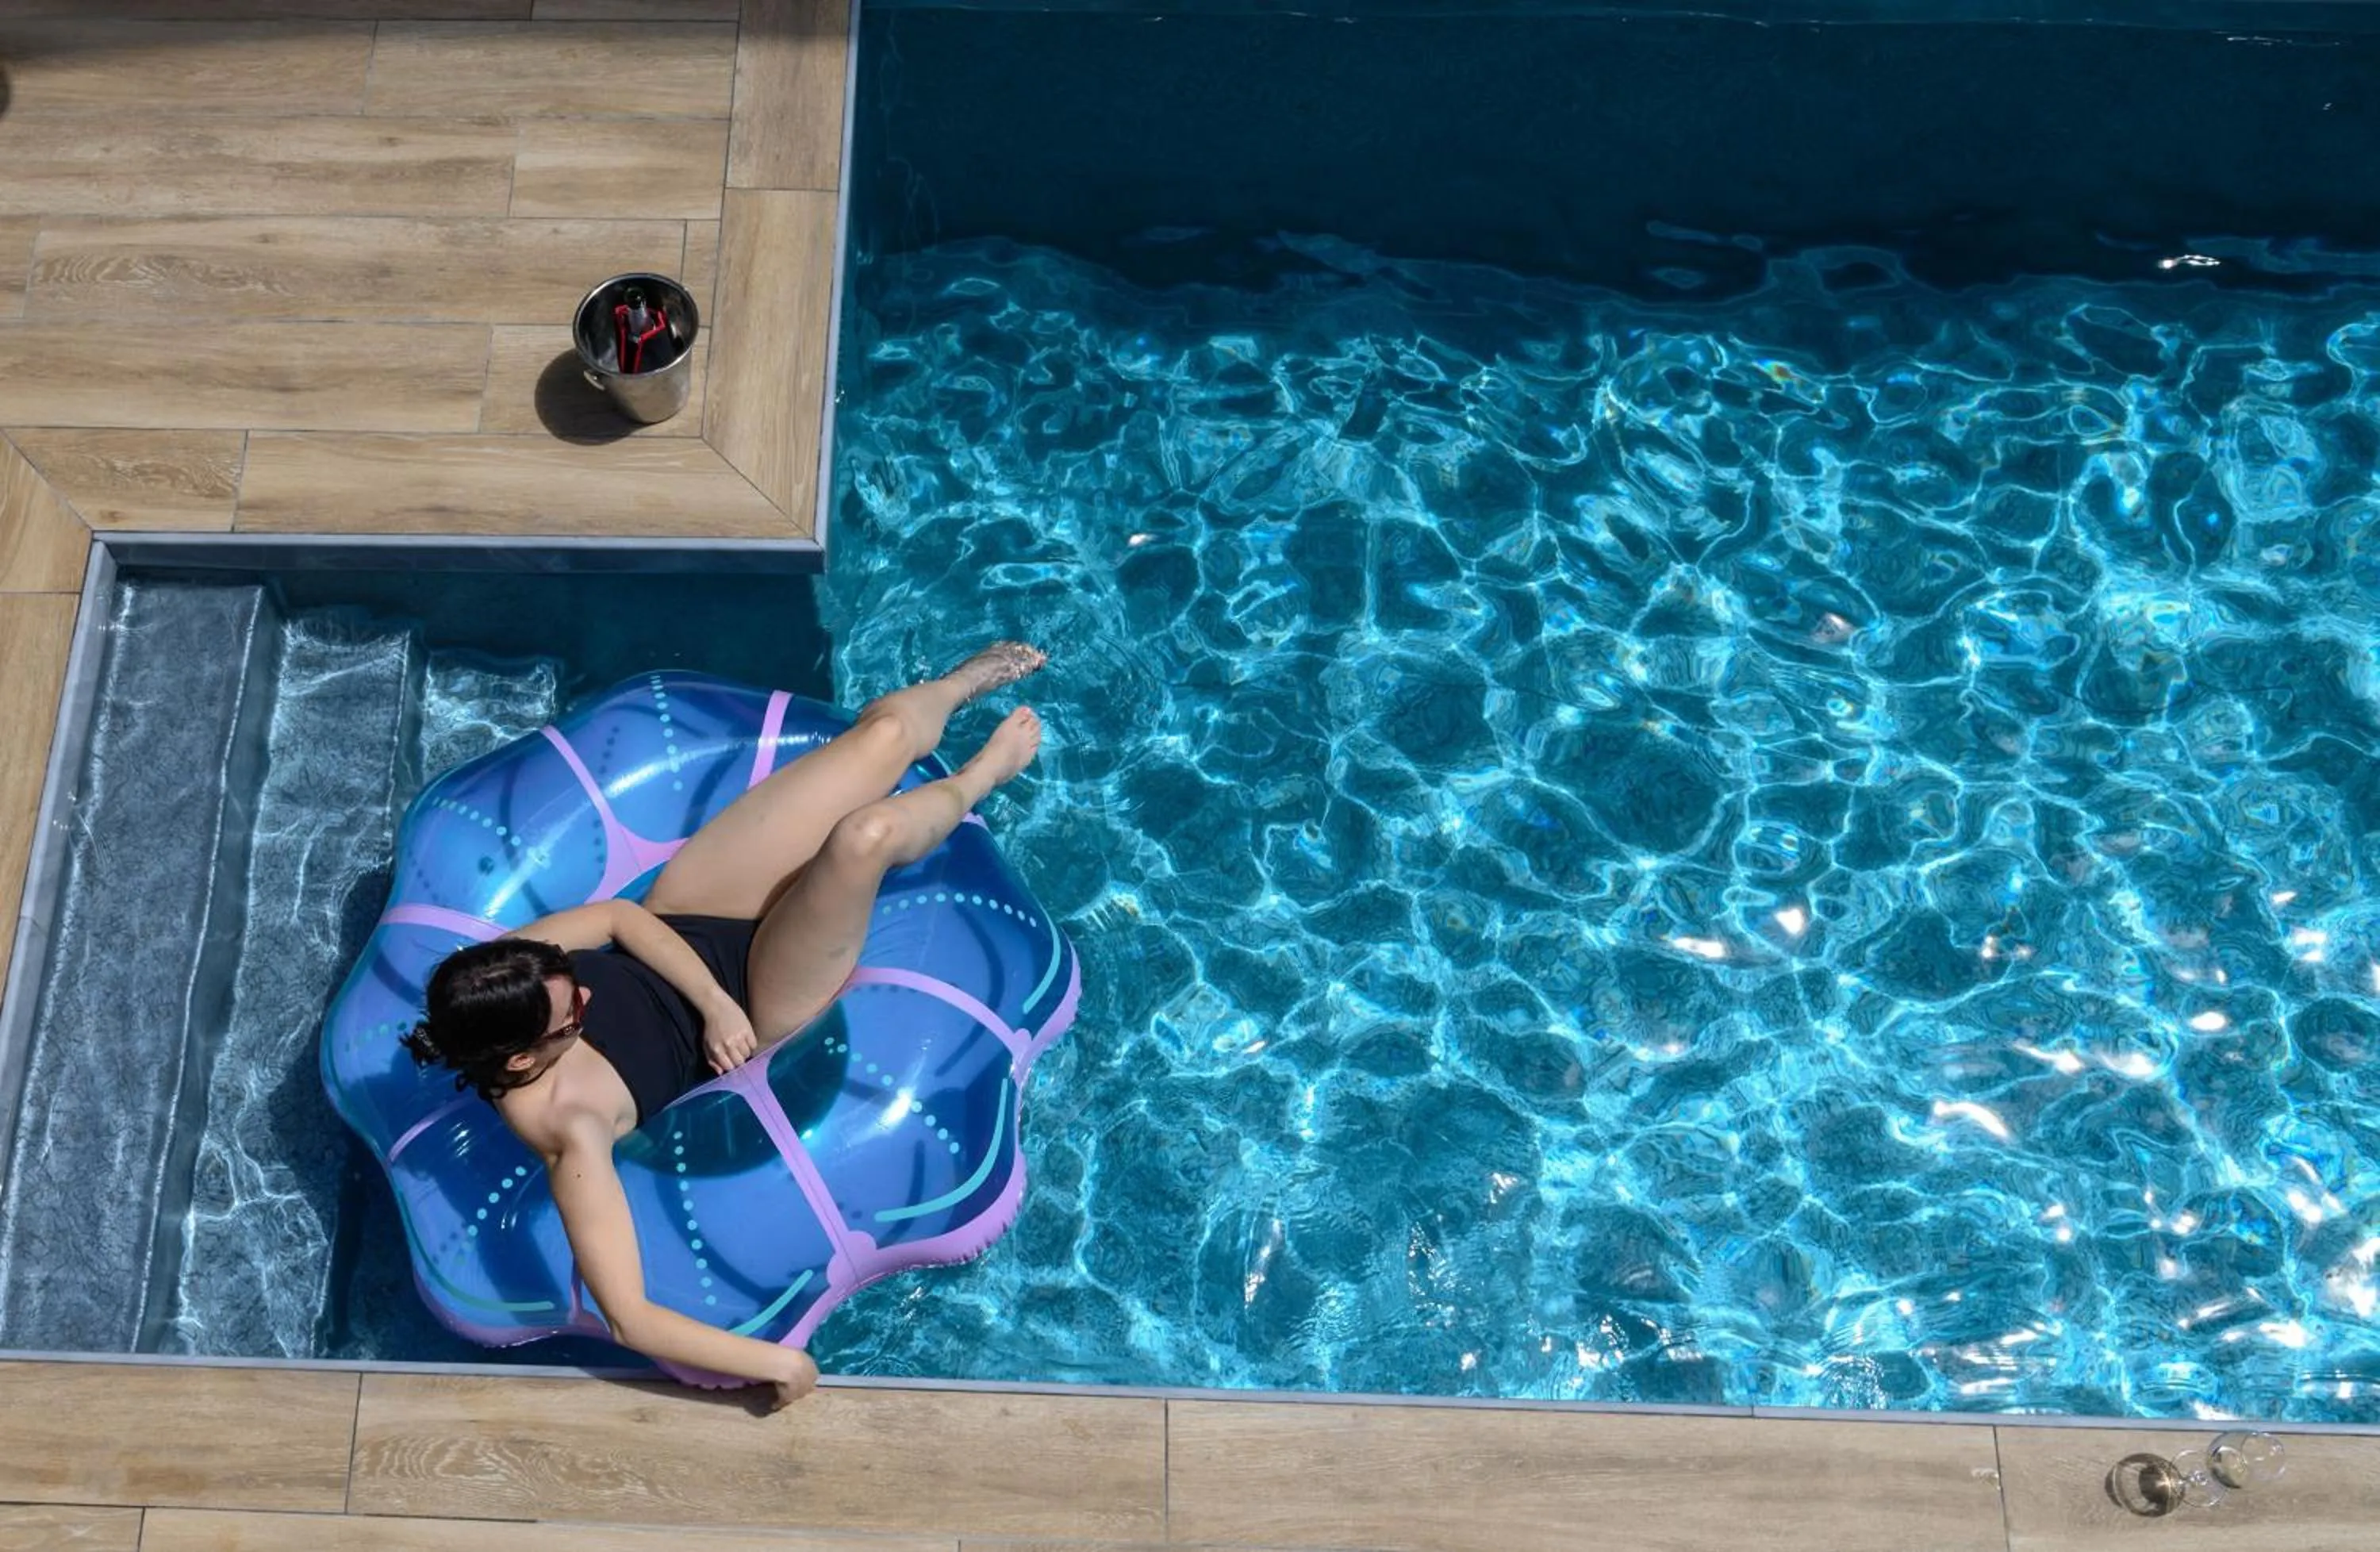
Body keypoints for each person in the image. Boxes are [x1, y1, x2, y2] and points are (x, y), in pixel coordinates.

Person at [400, 644, 1046, 1410]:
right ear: (521, 1061)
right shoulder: (568, 1130)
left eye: (567, 975)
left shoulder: (501, 972)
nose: (584, 996)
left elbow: (618, 916)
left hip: (695, 923)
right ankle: (981, 778)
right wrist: (779, 1366)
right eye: (570, 1013)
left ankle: (956, 681)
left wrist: (709, 1002)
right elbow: (631, 1316)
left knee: (880, 744)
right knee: (860, 840)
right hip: (768, 996)